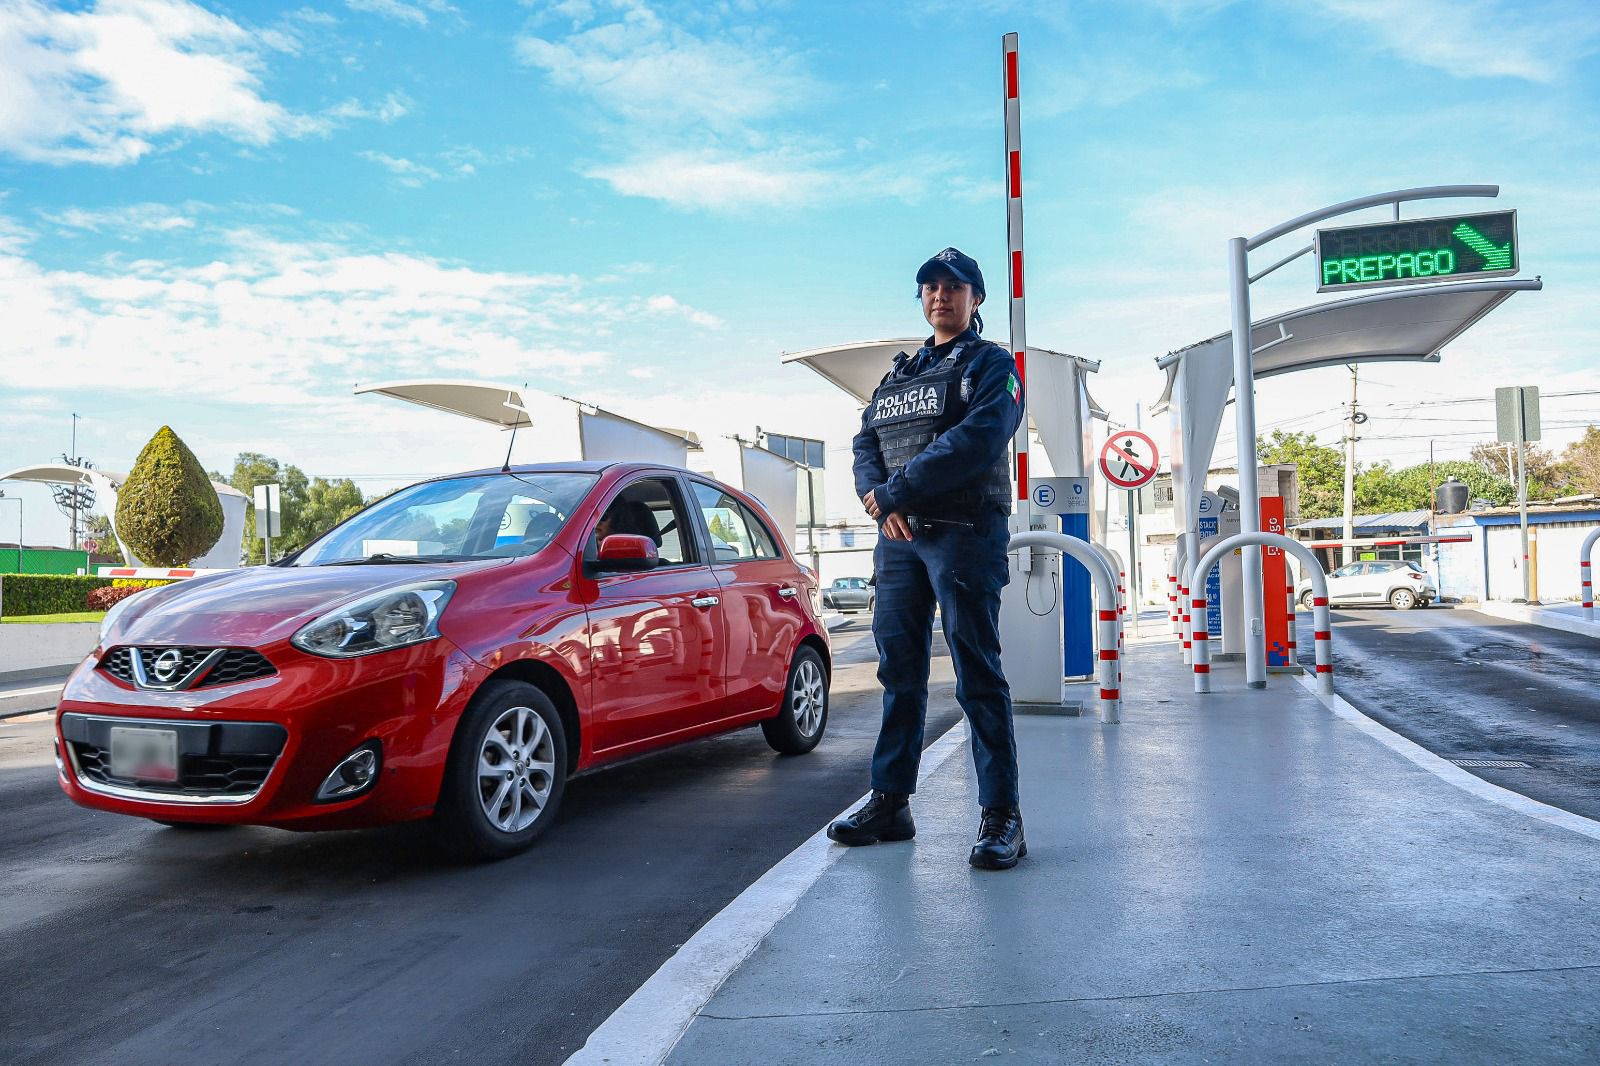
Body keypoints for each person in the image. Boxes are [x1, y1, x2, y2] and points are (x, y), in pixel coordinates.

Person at [829, 247, 1027, 870]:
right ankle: (891, 802)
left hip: (964, 532)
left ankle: (1002, 816)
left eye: (954, 286)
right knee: (900, 670)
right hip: (899, 539)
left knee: (976, 671)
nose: (941, 295)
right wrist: (878, 499)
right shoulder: (899, 376)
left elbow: (978, 438)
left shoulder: (992, 365)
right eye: (931, 286)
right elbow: (865, 441)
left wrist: (896, 491)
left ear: (976, 298)